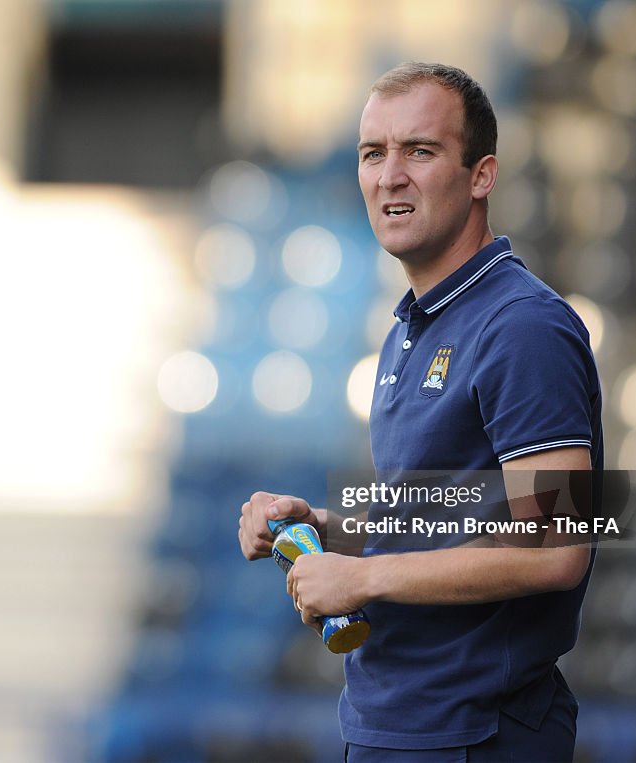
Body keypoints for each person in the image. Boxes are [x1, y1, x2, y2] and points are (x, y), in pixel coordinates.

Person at [238, 62, 603, 762]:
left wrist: (365, 577)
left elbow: (557, 545)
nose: (390, 175)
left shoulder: (522, 327)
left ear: (481, 175)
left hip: (473, 735)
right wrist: (325, 527)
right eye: (373, 152)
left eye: (420, 150)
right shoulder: (412, 325)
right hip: (395, 724)